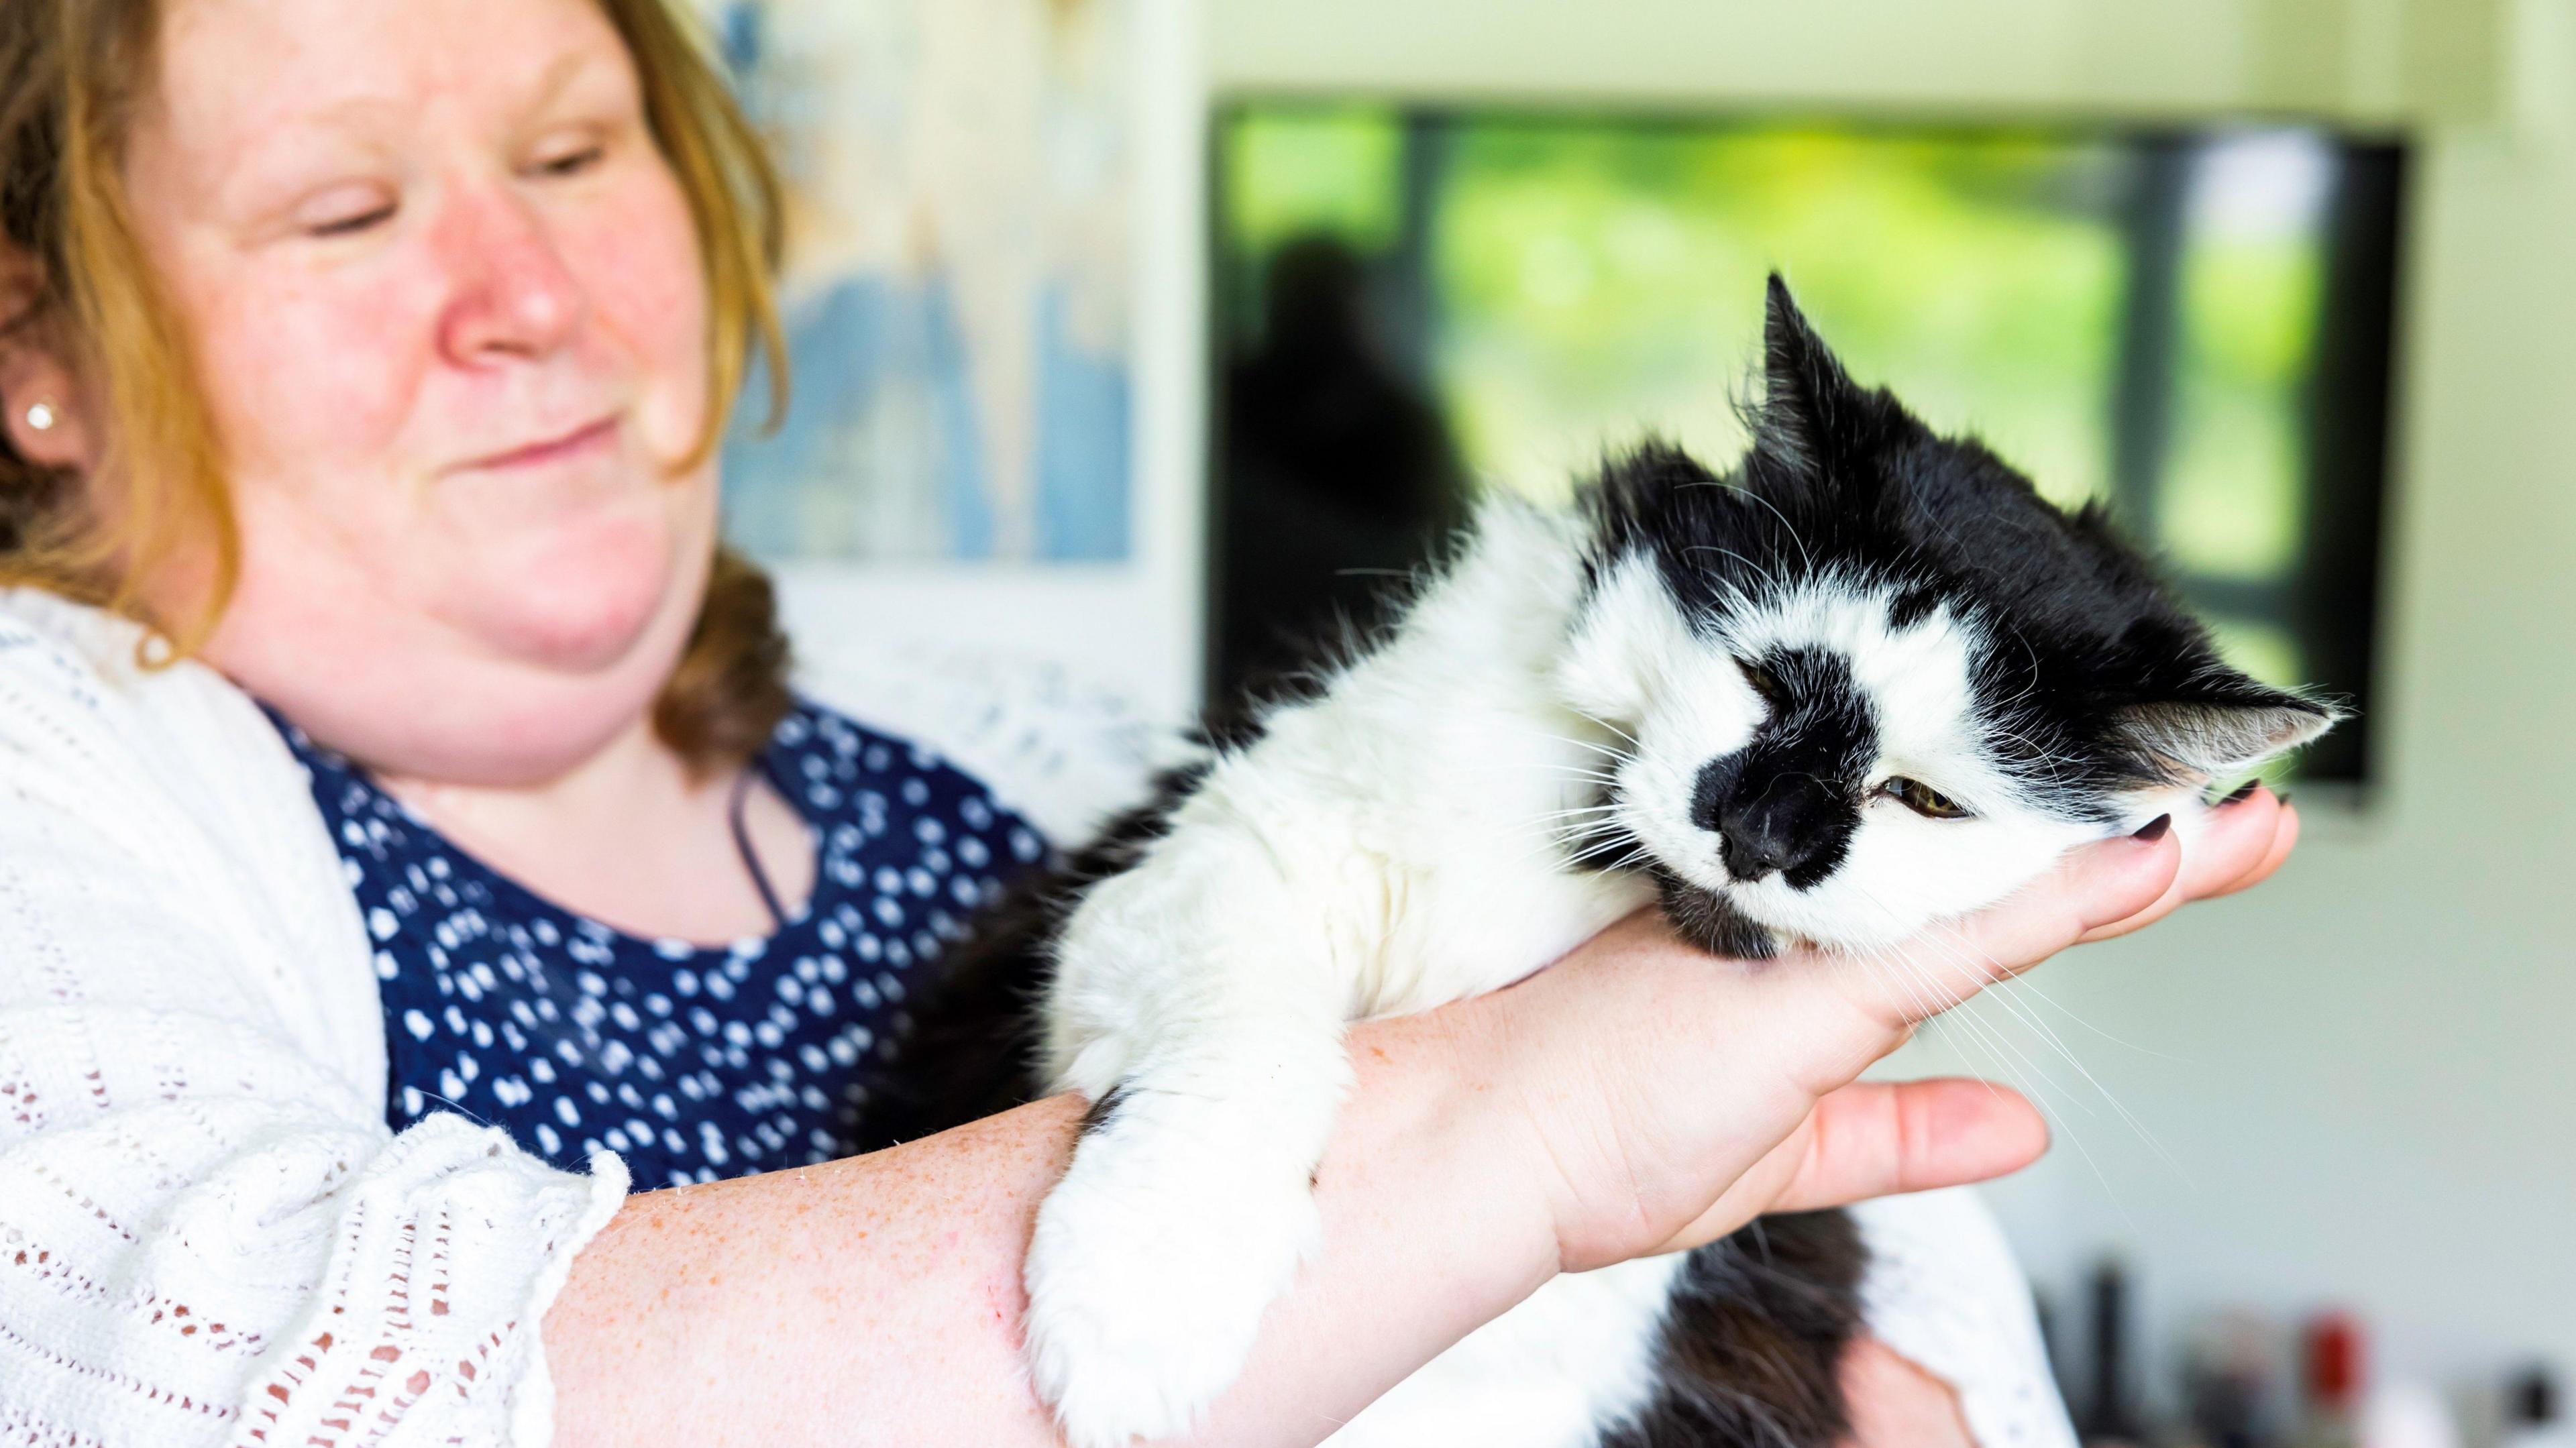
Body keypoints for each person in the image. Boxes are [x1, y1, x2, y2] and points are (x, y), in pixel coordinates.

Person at [0, 1, 2302, 1445]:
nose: (527, 295)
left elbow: (1916, 1332)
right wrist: (1490, 1135)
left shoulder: (1019, 730)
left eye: (579, 155)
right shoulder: (59, 793)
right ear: (45, 349)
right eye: (342, 209)